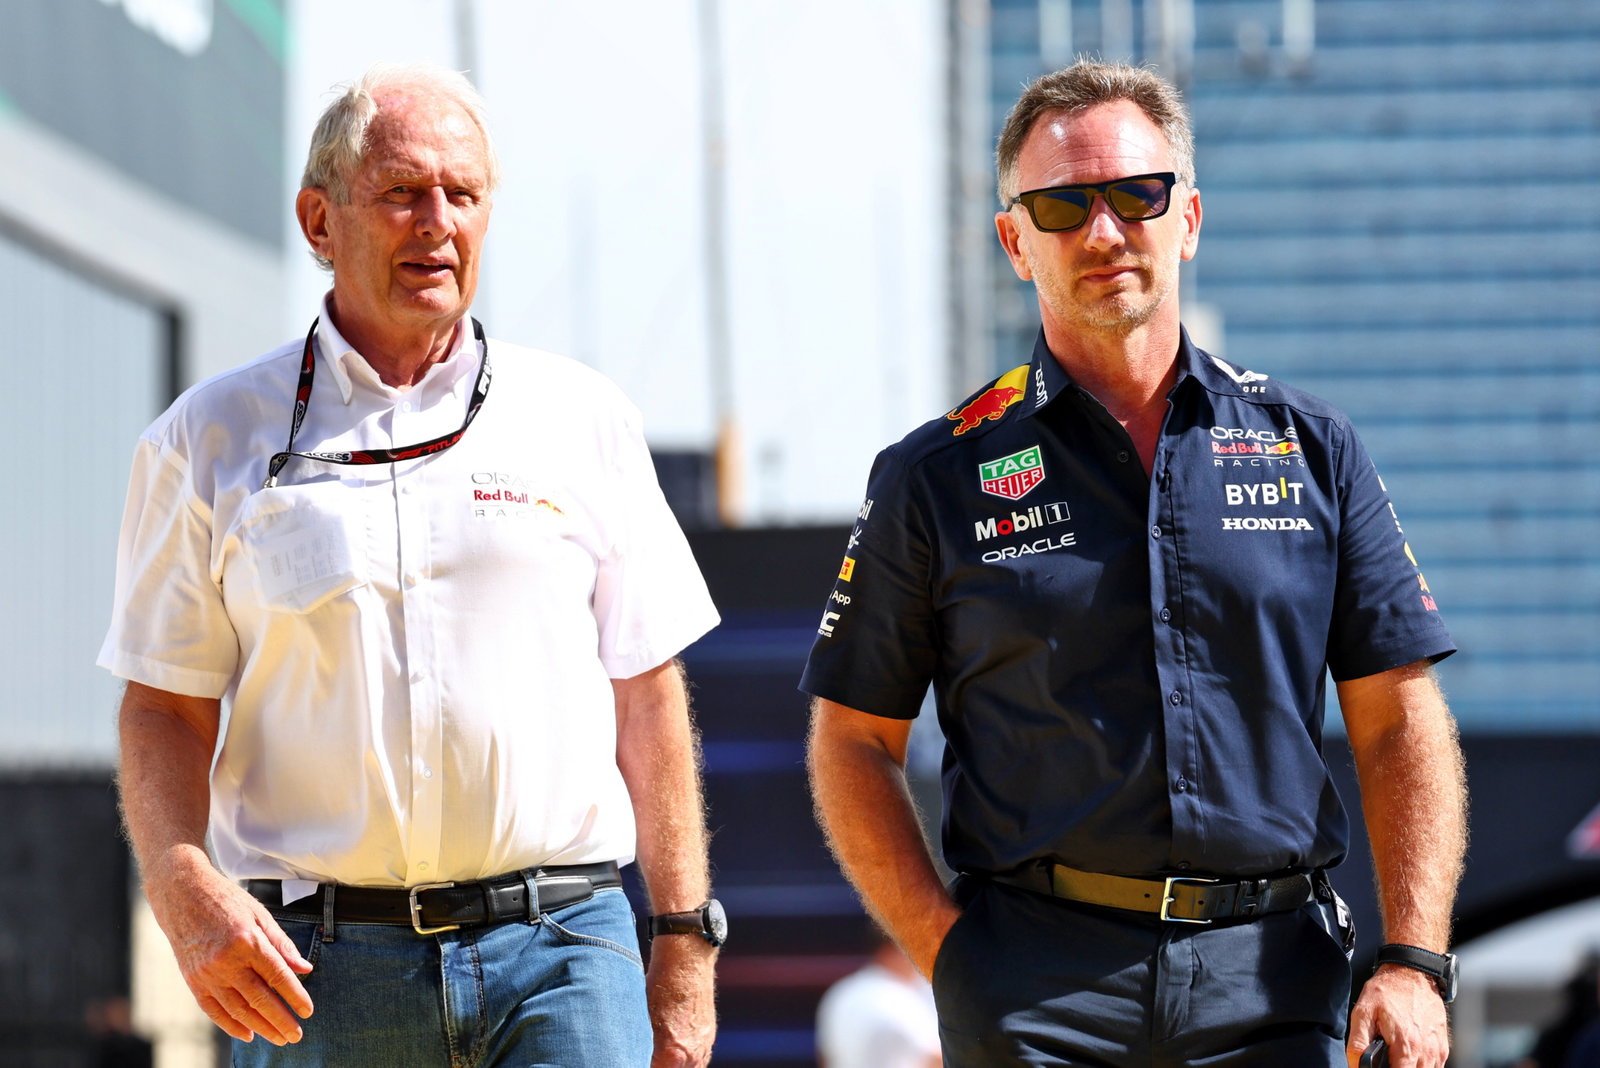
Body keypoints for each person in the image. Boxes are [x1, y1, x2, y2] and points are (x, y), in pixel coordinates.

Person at [801, 59, 1466, 1068]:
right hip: (1035, 991)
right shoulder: (933, 476)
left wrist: (1413, 959)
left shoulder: (1311, 449)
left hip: (1275, 981)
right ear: (1013, 243)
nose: (1103, 232)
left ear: (1187, 217)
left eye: (1135, 196)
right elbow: (851, 741)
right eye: (1061, 206)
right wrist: (948, 954)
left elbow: (1397, 721)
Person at [99, 63, 722, 1067]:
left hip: (562, 945)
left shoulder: (582, 418)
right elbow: (163, 709)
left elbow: (648, 694)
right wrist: (181, 889)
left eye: (463, 194)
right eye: (399, 192)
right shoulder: (205, 440)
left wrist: (685, 942)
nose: (437, 221)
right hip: (316, 969)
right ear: (319, 220)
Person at [815, 925, 941, 1068]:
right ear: (898, 948)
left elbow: (824, 1058)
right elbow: (939, 1059)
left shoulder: (841, 991)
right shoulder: (895, 999)